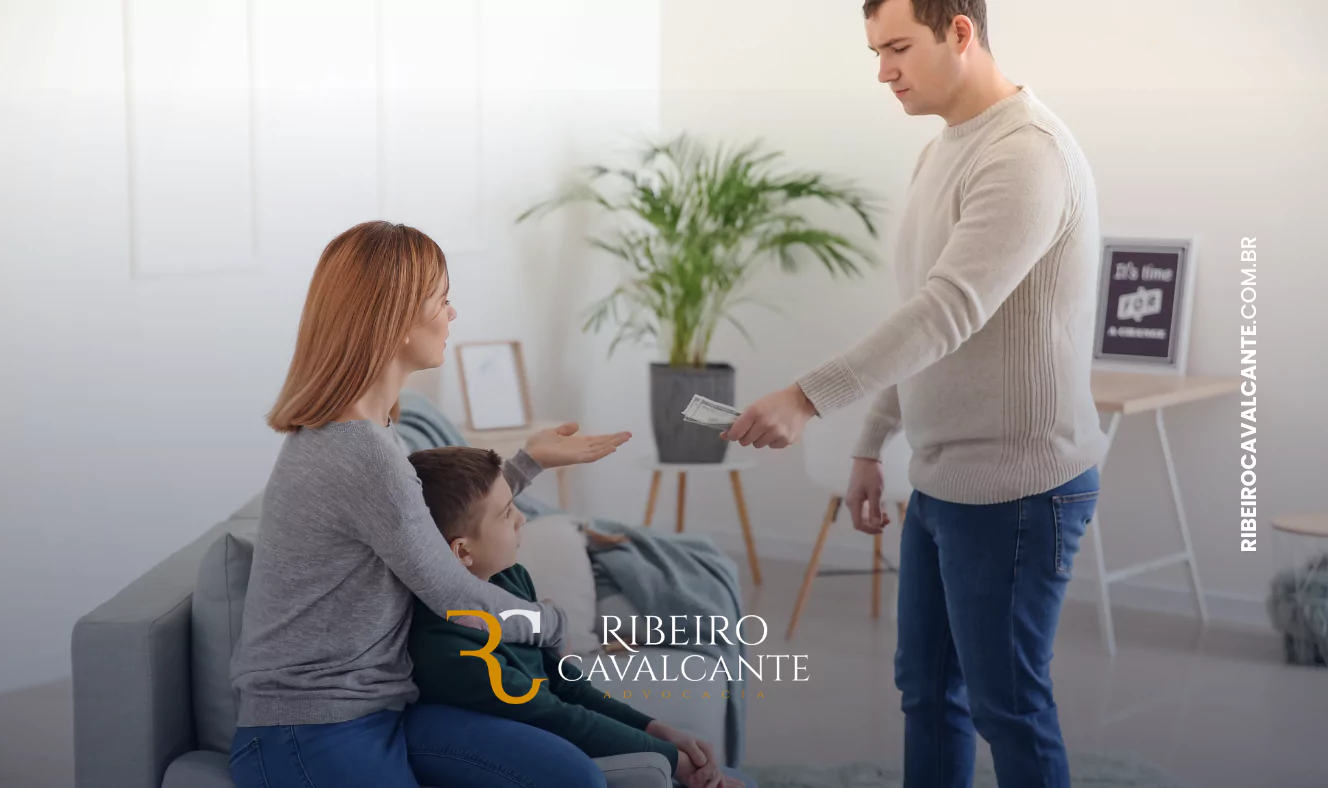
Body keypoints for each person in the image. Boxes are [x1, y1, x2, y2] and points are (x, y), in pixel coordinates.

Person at [721, 1, 1107, 786]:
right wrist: (872, 441)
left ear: (960, 32)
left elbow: (950, 310)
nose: (882, 70)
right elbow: (925, 316)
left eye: (897, 47)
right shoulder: (942, 151)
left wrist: (806, 397)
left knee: (1009, 709)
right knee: (927, 693)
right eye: (875, 50)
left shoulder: (1025, 153)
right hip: (942, 478)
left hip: (1018, 490)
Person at [229, 221, 633, 788]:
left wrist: (527, 464)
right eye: (442, 299)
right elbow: (452, 593)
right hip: (311, 729)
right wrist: (552, 624)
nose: (452, 314)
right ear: (395, 319)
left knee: (572, 776)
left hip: (382, 710)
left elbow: (418, 528)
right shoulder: (358, 448)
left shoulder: (365, 432)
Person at [404, 446, 755, 788]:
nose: (523, 518)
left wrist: (653, 728)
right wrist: (673, 760)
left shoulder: (508, 578)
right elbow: (553, 714)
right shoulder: (449, 651)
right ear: (463, 551)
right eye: (507, 513)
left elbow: (564, 680)